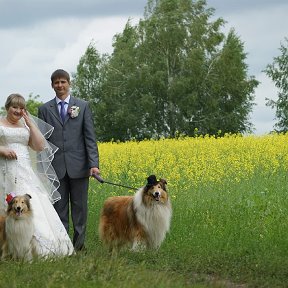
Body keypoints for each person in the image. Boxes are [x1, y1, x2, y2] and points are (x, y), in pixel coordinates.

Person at [0, 93, 74, 257]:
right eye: (14, 107)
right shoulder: (0, 123)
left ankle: (42, 249)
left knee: (34, 204)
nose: (18, 111)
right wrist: (2, 149)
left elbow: (40, 146)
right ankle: (8, 248)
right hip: (5, 170)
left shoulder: (25, 126)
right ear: (7, 107)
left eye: (21, 108)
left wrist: (30, 124)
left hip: (25, 171)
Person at [38, 69, 100, 251]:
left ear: (69, 83)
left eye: (63, 82)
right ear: (52, 85)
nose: (60, 85)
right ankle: (64, 247)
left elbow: (90, 138)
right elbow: (42, 141)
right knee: (59, 209)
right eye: (56, 82)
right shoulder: (44, 109)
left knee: (80, 208)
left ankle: (79, 246)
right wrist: (42, 167)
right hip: (55, 167)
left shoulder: (82, 106)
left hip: (79, 166)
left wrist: (94, 164)